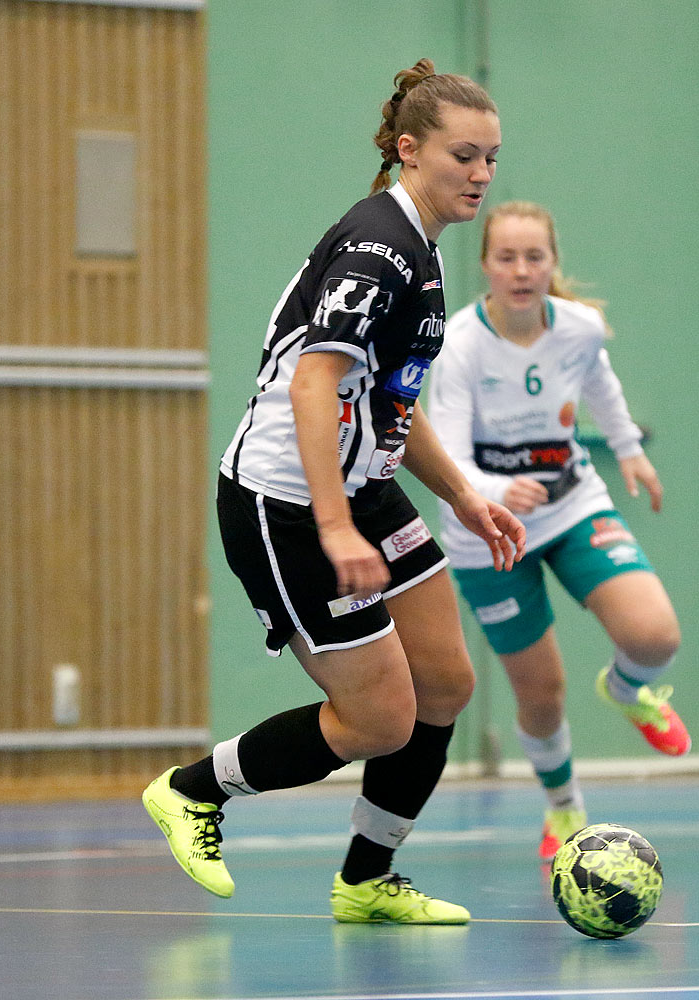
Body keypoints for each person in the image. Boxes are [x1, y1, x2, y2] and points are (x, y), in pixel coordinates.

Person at [142, 58, 524, 924]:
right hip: (287, 504)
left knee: (445, 681)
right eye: (464, 156)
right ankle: (193, 790)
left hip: (364, 488)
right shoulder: (378, 248)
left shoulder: (419, 247)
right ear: (408, 149)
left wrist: (461, 494)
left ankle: (366, 879)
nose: (482, 175)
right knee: (382, 717)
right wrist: (332, 525)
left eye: (493, 158)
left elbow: (388, 397)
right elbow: (316, 385)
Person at [425, 201, 688, 861]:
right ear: (484, 264)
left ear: (552, 264)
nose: (521, 270)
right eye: (507, 257)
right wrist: (492, 490)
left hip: (571, 506)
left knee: (654, 635)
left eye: (534, 257)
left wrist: (628, 448)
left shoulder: (580, 329)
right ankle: (565, 808)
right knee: (540, 694)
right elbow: (447, 457)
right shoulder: (459, 343)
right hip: (486, 530)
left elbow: (598, 383)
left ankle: (627, 688)